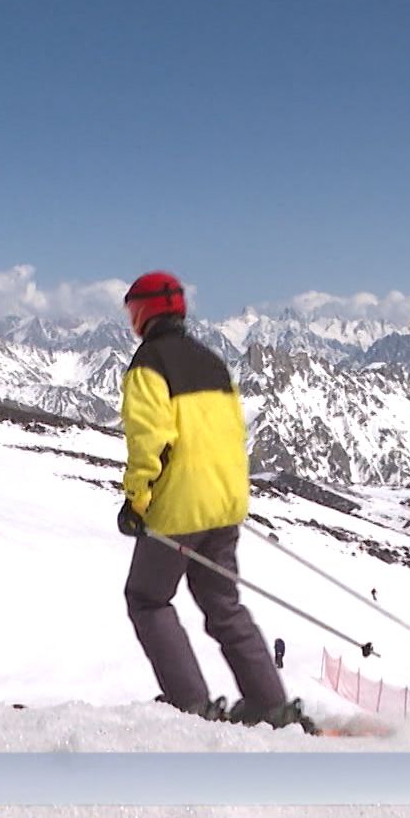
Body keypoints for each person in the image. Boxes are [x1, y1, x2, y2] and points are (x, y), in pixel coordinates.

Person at [115, 271, 309, 731]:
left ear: (143, 311)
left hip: (180, 507)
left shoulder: (148, 365)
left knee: (147, 598)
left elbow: (149, 442)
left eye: (131, 311)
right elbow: (229, 436)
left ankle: (191, 707)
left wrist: (136, 501)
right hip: (225, 504)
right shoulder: (212, 362)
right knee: (222, 603)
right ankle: (270, 705)